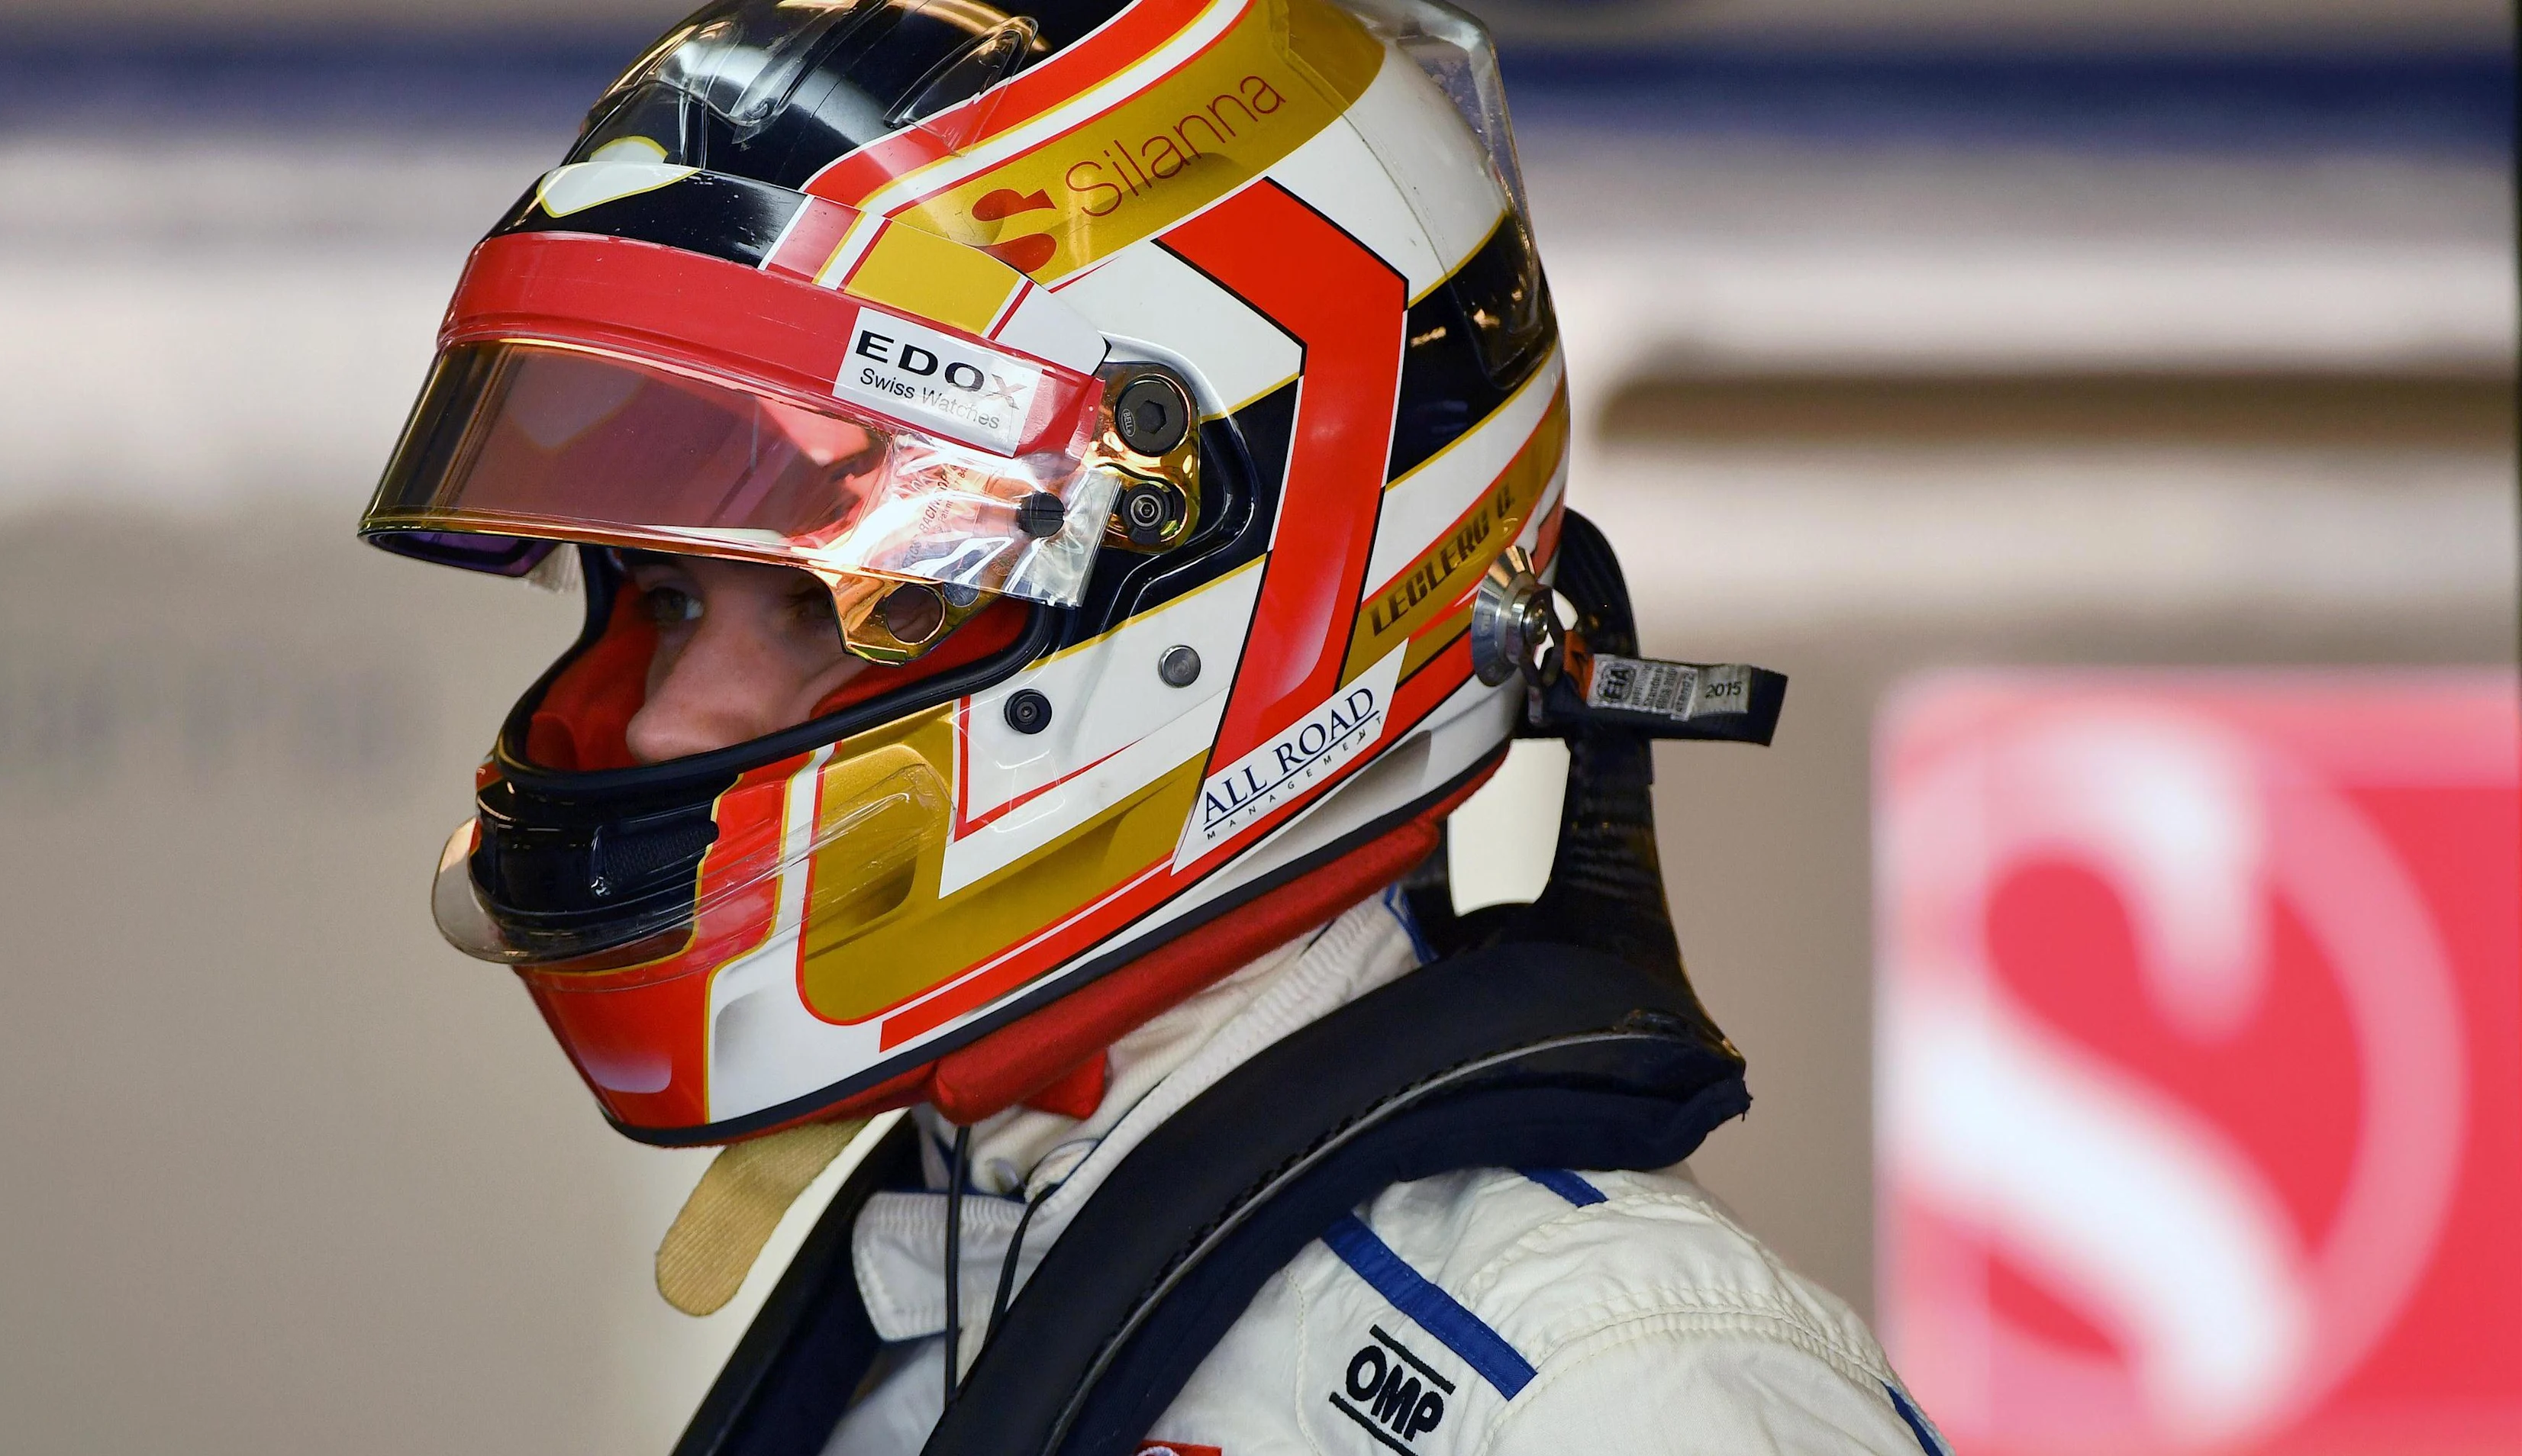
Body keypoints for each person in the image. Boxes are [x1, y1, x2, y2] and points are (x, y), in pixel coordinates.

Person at [358, 0, 1952, 1450]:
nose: (654, 724)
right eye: (668, 601)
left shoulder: (1616, 1390)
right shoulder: (942, 1286)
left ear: (1256, 591)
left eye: (834, 607)